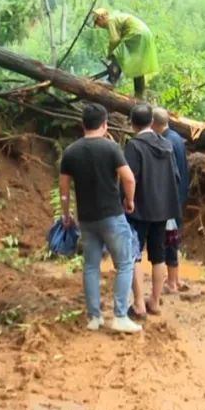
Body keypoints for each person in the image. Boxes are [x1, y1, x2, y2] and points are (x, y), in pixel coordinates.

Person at [58, 103, 142, 334]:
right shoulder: (111, 148)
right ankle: (120, 316)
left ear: (83, 124)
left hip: (86, 219)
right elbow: (129, 179)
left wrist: (66, 215)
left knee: (91, 267)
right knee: (125, 264)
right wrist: (130, 201)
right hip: (112, 216)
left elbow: (63, 189)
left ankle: (94, 317)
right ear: (105, 124)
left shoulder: (71, 152)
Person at [124, 103, 181, 317]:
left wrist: (126, 201)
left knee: (134, 255)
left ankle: (139, 304)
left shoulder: (134, 146)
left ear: (132, 123)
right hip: (163, 210)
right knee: (159, 256)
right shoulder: (166, 145)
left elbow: (130, 178)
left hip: (138, 209)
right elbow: (175, 177)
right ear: (151, 122)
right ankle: (155, 302)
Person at [153, 107, 192, 294]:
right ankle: (175, 278)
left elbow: (170, 175)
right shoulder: (177, 138)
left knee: (168, 240)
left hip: (170, 200)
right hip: (180, 197)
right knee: (173, 239)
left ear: (154, 124)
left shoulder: (165, 142)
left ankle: (171, 282)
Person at [92, 8, 159, 100]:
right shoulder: (115, 18)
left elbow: (114, 40)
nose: (99, 26)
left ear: (101, 18)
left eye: (97, 22)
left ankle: (110, 82)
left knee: (118, 53)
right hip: (145, 34)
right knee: (137, 66)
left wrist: (110, 54)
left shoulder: (110, 20)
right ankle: (139, 94)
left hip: (137, 33)